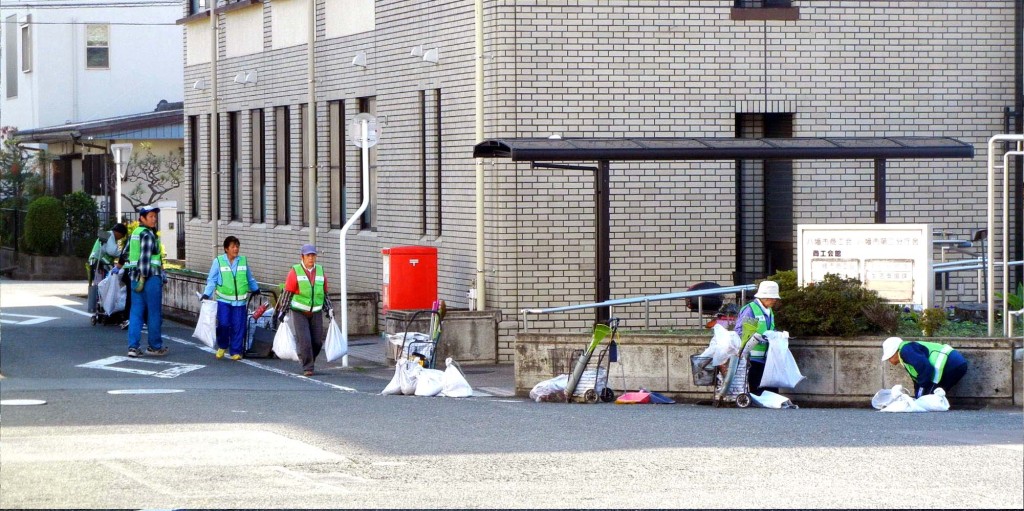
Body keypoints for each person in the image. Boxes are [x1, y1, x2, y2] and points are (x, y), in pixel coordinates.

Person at [275, 244, 334, 376]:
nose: (311, 258)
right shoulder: (295, 271)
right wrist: (283, 310)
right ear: (302, 257)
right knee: (305, 340)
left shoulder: (320, 271)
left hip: (316, 311)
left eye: (313, 255)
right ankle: (308, 367)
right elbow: (288, 293)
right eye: (308, 255)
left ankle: (307, 357)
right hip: (299, 311)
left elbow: (324, 293)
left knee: (317, 342)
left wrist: (329, 309)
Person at [201, 236, 262, 360]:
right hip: (224, 300)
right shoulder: (218, 261)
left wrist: (255, 288)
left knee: (238, 326)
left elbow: (249, 277)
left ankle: (235, 351)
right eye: (233, 247)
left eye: (237, 246)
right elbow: (212, 279)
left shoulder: (243, 261)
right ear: (226, 249)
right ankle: (223, 345)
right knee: (223, 324)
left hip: (240, 301)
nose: (236, 249)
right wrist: (207, 293)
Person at [123, 205, 167, 357]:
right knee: (154, 313)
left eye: (155, 216)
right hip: (150, 278)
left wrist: (135, 275)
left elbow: (125, 253)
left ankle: (133, 347)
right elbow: (145, 259)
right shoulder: (148, 234)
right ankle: (155, 346)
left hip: (134, 278)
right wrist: (143, 277)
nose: (154, 219)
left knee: (136, 313)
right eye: (151, 216)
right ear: (142, 218)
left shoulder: (134, 233)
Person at [734, 280, 781, 394]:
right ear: (765, 297)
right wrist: (757, 338)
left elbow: (770, 328)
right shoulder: (751, 310)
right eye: (773, 298)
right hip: (752, 359)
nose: (775, 300)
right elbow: (741, 332)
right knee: (756, 392)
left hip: (765, 359)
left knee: (768, 393)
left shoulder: (769, 311)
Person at [881, 336, 969, 398]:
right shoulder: (905, 352)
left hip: (950, 364)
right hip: (956, 363)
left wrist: (921, 391)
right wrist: (918, 395)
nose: (889, 360)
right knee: (931, 397)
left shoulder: (905, 350)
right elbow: (918, 379)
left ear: (894, 352)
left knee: (928, 398)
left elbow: (925, 369)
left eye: (889, 357)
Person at [86, 223, 127, 312]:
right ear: (118, 232)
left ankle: (99, 305)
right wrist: (123, 255)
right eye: (122, 236)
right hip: (98, 263)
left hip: (96, 262)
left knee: (99, 284)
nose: (121, 238)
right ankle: (101, 305)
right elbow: (112, 251)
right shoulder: (110, 236)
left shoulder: (108, 235)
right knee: (102, 284)